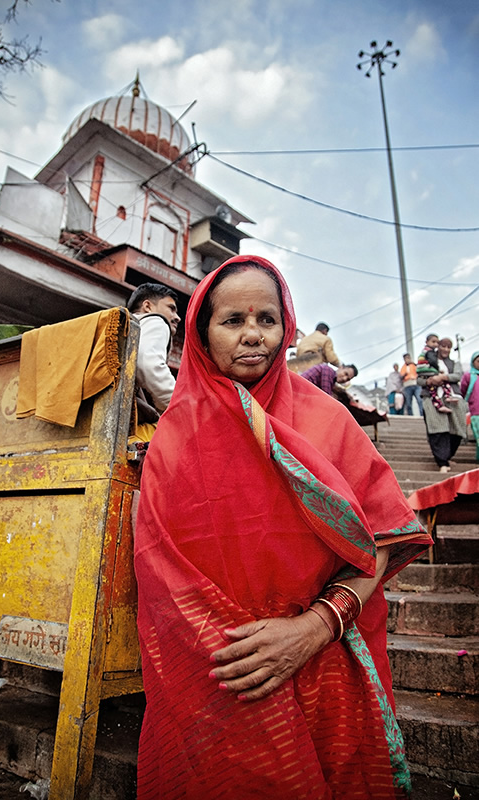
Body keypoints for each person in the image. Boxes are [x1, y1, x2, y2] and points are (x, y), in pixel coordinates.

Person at [134, 255, 431, 799]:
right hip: (221, 665)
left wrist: (312, 630)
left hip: (323, 655)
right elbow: (160, 571)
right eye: (233, 321)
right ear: (202, 334)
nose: (253, 335)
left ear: (286, 329)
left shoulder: (328, 419)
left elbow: (382, 540)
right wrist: (246, 658)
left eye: (267, 319)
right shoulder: (174, 436)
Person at [127, 283, 181, 442]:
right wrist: (180, 406)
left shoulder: (123, 325)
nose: (177, 317)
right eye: (171, 308)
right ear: (148, 306)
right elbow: (148, 365)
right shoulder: (156, 321)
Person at [417, 337, 467, 473]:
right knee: (437, 429)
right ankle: (442, 462)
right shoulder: (428, 361)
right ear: (438, 346)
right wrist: (429, 381)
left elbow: (457, 376)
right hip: (432, 397)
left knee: (457, 429)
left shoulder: (454, 363)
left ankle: (447, 456)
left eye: (448, 347)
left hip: (453, 397)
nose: (445, 349)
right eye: (443, 346)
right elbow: (419, 379)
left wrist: (442, 377)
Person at [416, 334, 455, 414]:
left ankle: (442, 403)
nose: (435, 344)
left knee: (433, 390)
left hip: (425, 372)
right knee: (443, 384)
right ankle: (446, 399)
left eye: (437, 342)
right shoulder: (429, 352)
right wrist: (438, 372)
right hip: (427, 371)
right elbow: (433, 362)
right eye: (433, 342)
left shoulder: (424, 351)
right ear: (426, 342)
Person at [461, 350, 479, 462]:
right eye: (478, 361)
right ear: (473, 362)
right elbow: (463, 390)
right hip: (476, 411)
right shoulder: (468, 376)